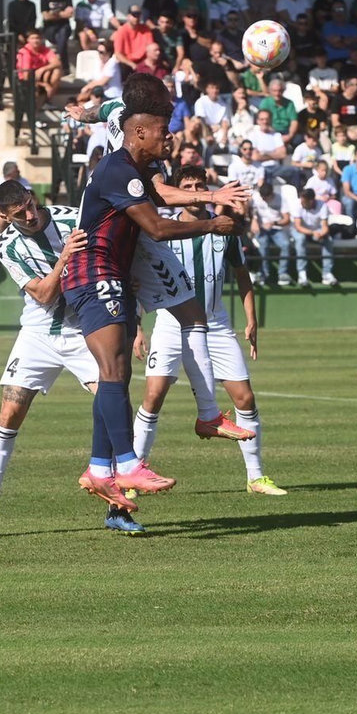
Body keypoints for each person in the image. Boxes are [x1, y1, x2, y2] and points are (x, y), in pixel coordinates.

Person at [61, 80, 243, 517]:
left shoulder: (136, 171)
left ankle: (99, 468)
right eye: (164, 130)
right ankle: (128, 464)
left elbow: (158, 195)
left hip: (116, 273)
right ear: (139, 131)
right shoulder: (117, 170)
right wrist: (210, 223)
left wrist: (207, 197)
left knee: (116, 376)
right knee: (113, 369)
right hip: (93, 271)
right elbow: (157, 227)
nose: (171, 137)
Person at [130, 164, 283, 498]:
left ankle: (255, 477)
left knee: (245, 397)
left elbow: (243, 275)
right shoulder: (161, 227)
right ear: (178, 190)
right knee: (153, 397)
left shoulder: (222, 227)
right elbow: (142, 278)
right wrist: (138, 326)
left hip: (216, 326)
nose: (196, 190)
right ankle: (132, 475)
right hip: (171, 324)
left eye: (200, 184)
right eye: (188, 185)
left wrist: (251, 319)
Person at [0, 189, 96, 540]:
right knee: (9, 414)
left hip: (82, 330)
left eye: (28, 206)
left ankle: (116, 505)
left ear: (32, 197)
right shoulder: (8, 246)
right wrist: (66, 257)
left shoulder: (73, 217)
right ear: (5, 217)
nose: (28, 216)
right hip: (39, 333)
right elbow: (43, 294)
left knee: (111, 403)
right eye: (18, 214)